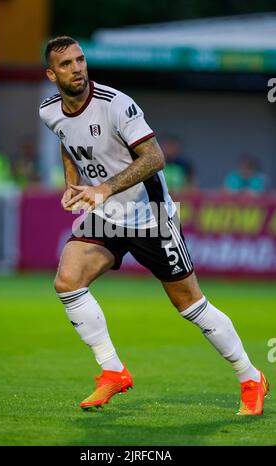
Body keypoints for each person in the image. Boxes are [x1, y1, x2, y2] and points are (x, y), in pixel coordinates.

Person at [39, 36, 269, 414]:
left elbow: (155, 157)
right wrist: (72, 185)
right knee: (67, 280)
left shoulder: (116, 105)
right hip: (106, 214)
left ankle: (250, 377)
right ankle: (113, 372)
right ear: (52, 74)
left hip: (151, 216)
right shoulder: (49, 111)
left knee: (190, 305)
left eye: (80, 60)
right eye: (66, 64)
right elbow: (66, 140)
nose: (77, 68)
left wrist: (105, 188)